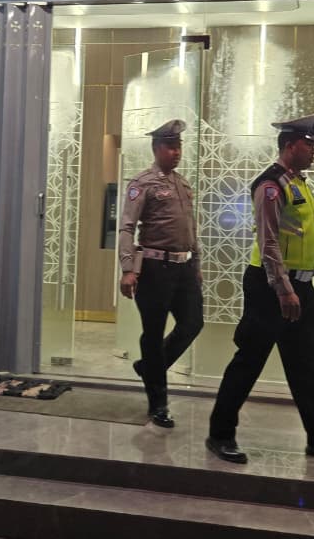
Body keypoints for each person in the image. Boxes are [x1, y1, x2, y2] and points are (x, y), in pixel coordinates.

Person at [205, 114, 314, 463]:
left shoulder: (298, 183)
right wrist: (283, 288)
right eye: (309, 143)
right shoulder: (270, 185)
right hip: (271, 288)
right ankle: (220, 433)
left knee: (306, 363)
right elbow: (269, 241)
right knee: (249, 360)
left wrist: (296, 288)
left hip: (299, 287)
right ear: (290, 145)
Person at [117, 118, 204, 428]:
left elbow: (190, 228)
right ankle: (158, 404)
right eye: (170, 146)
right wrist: (128, 269)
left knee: (193, 323)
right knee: (153, 334)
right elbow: (127, 227)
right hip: (154, 269)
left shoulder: (183, 184)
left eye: (179, 146)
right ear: (156, 149)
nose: (176, 152)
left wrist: (197, 264)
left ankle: (149, 368)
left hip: (184, 268)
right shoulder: (142, 183)